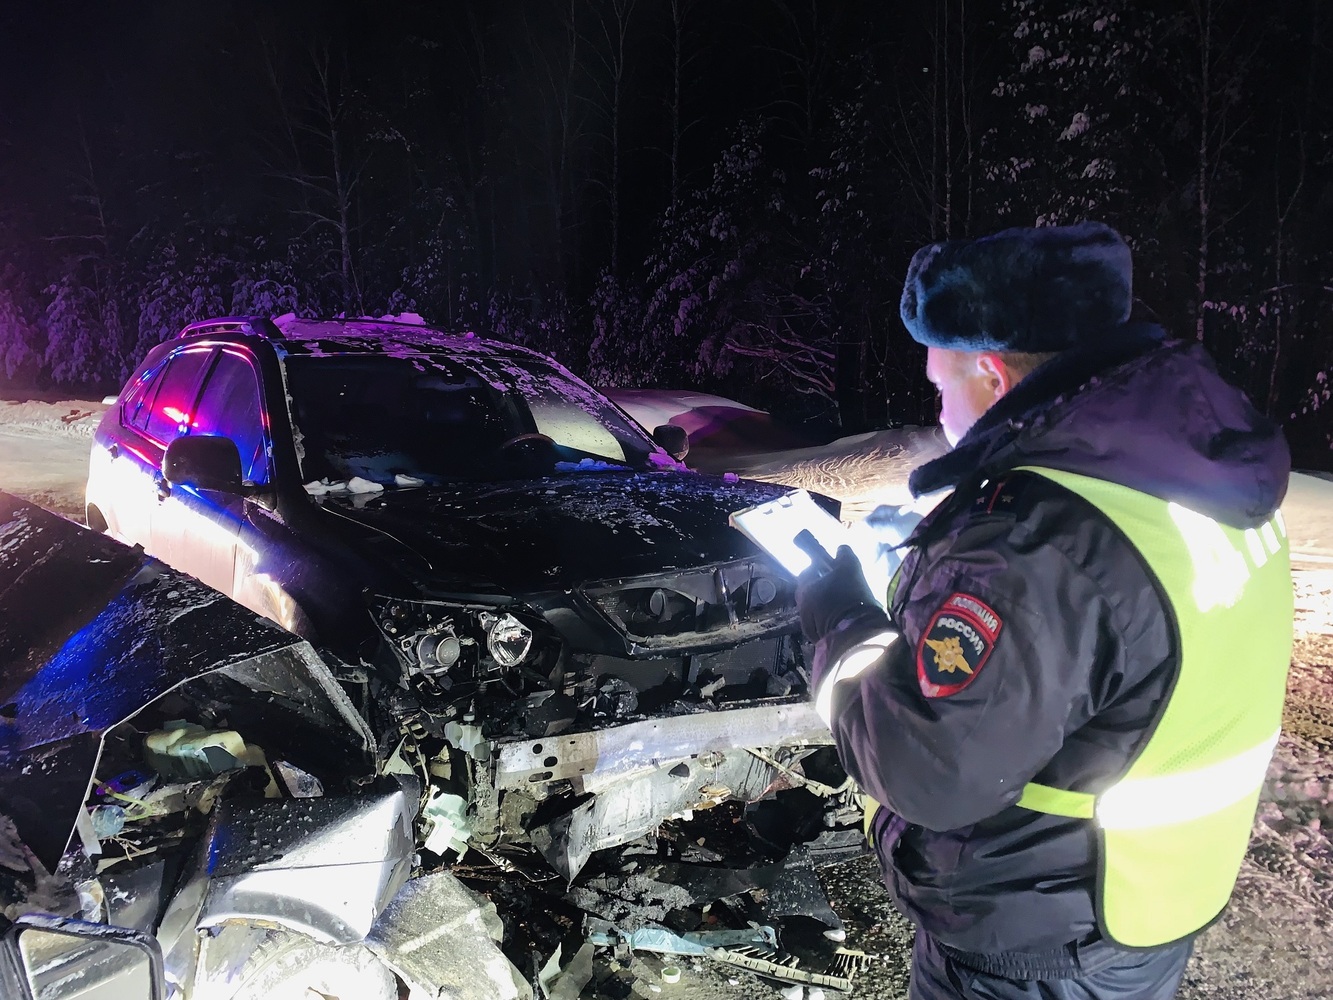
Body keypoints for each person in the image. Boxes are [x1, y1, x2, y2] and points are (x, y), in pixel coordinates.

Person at [795, 221, 1293, 1000]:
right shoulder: (1195, 471)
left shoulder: (1034, 537)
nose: (939, 410)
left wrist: (837, 617)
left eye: (939, 387)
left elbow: (926, 772)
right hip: (1153, 893)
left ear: (991, 375)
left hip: (1038, 942)